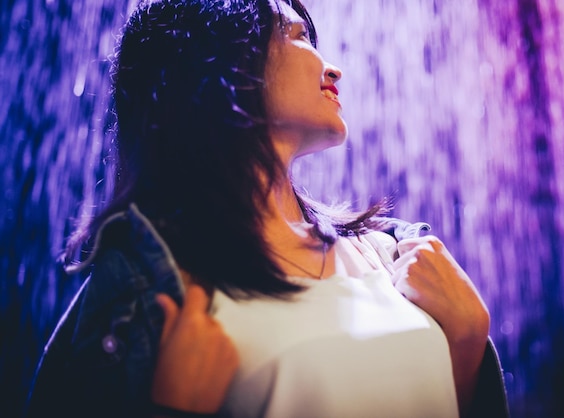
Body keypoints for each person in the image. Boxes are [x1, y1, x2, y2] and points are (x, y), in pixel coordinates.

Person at [25, 0, 509, 417]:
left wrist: (467, 345)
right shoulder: (150, 293)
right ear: (220, 64)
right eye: (298, 36)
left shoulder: (392, 255)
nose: (333, 68)